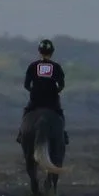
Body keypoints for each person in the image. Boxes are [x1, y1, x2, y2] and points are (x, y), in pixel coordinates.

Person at [19, 38, 69, 181]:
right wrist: (54, 91)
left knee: (26, 114)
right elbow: (61, 84)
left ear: (40, 52)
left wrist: (34, 91)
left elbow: (26, 85)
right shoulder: (57, 67)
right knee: (60, 115)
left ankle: (21, 135)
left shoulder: (33, 66)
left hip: (36, 101)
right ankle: (63, 135)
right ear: (51, 53)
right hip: (51, 103)